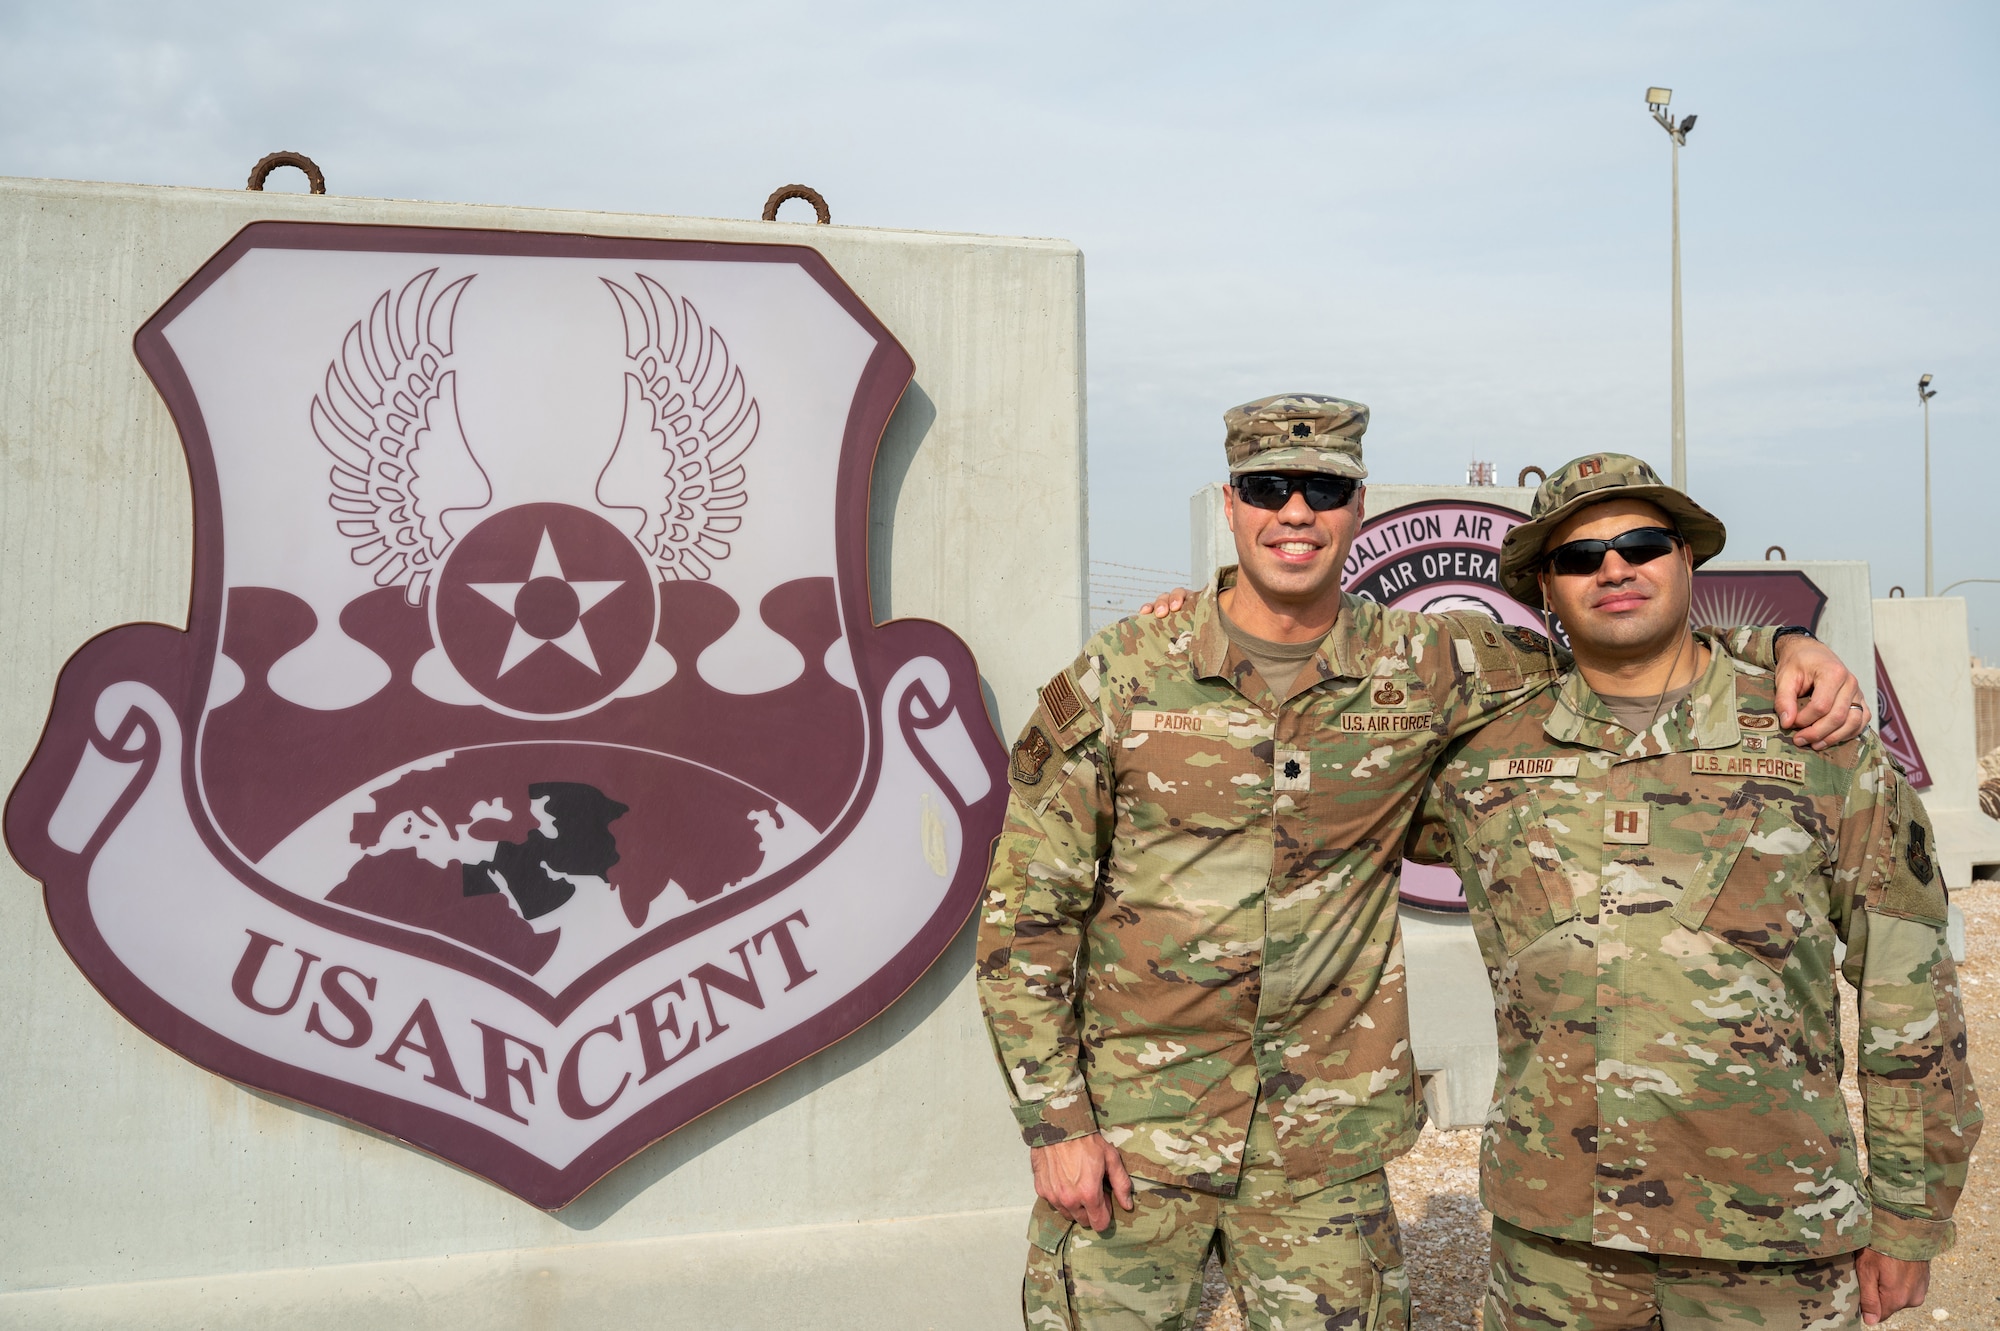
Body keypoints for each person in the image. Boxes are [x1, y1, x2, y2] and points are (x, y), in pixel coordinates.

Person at [976, 396, 1868, 1330]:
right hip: (1133, 1138)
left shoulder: (1430, 661)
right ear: (1231, 503)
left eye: (1323, 489)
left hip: (1323, 1154)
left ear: (1358, 507)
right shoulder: (1124, 672)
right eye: (1267, 487)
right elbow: (1023, 916)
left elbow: (1620, 644)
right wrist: (1056, 1123)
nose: (1295, 511)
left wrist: (1780, 644)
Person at [1405, 454, 1981, 1330]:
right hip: (1556, 1248)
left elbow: (1909, 989)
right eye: (1579, 556)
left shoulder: (1814, 741)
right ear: (1546, 590)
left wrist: (1911, 1214)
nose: (1614, 567)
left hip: (1773, 1238)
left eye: (1641, 543)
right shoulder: (1481, 761)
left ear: (1686, 559)